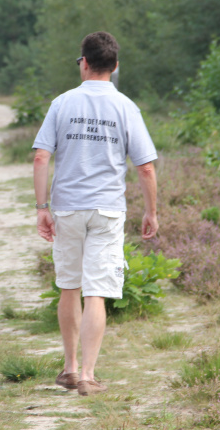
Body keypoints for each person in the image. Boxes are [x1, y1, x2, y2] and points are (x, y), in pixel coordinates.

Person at [32, 31, 159, 396]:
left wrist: (42, 208)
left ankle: (69, 369)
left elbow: (42, 156)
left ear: (84, 63)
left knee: (69, 287)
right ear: (116, 66)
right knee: (97, 292)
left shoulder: (62, 103)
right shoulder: (125, 107)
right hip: (107, 210)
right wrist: (151, 211)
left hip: (68, 207)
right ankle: (88, 375)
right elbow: (146, 167)